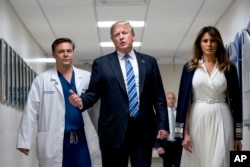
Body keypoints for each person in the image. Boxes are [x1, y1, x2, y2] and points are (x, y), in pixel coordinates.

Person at [69, 21, 169, 167]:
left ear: (133, 36)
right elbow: (93, 93)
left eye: (125, 33)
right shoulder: (101, 63)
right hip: (113, 130)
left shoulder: (149, 62)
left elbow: (159, 97)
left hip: (142, 129)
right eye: (117, 34)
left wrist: (163, 125)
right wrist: (81, 101)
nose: (121, 37)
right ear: (112, 40)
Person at [16, 38, 102, 167]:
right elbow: (30, 111)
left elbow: (97, 108)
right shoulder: (42, 80)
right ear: (53, 54)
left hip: (83, 139)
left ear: (73, 53)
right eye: (61, 51)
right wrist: (24, 140)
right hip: (54, 139)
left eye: (69, 51)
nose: (66, 54)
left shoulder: (87, 77)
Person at [175, 26, 243, 167]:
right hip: (197, 118)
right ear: (199, 44)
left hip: (222, 118)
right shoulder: (189, 68)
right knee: (198, 160)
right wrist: (183, 134)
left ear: (218, 43)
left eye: (213, 40)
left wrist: (238, 136)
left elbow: (237, 103)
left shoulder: (229, 68)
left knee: (221, 160)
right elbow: (183, 102)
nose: (209, 44)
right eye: (205, 41)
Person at [156, 92, 182, 167]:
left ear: (175, 100)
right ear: (166, 100)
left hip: (177, 144)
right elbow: (157, 130)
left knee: (178, 164)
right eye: (169, 98)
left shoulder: (179, 113)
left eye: (173, 98)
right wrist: (158, 146)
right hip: (166, 144)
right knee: (167, 164)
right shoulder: (162, 114)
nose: (171, 100)